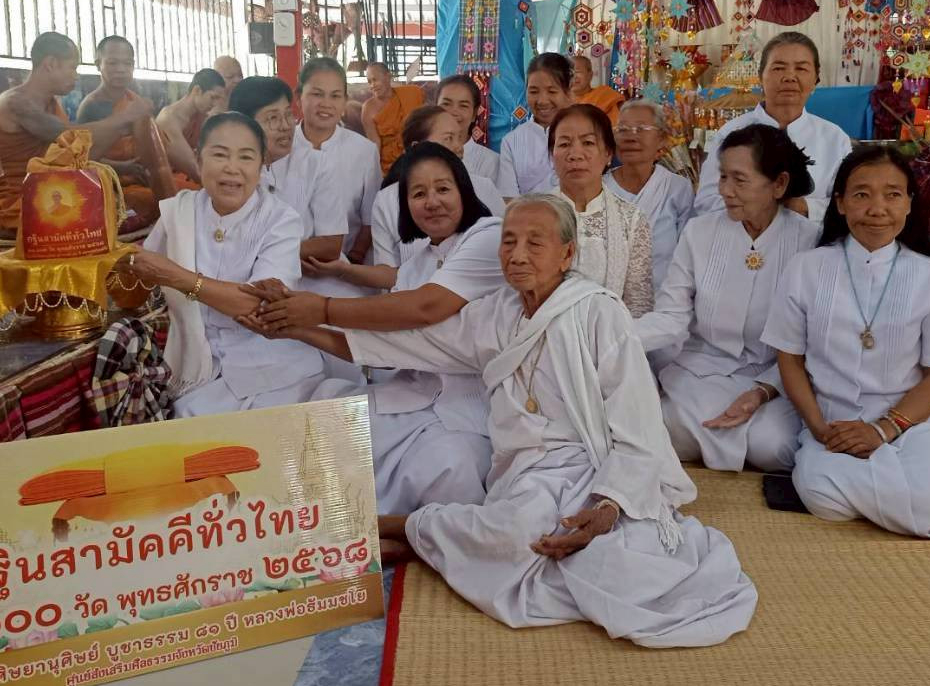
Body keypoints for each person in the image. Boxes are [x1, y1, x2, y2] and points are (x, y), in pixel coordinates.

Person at [248, 195, 757, 647]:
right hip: (525, 472)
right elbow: (399, 345)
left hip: (595, 467)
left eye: (535, 243)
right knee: (518, 533)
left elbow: (638, 421)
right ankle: (405, 533)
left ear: (567, 254)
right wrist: (302, 328)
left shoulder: (599, 314)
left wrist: (608, 504)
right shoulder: (494, 314)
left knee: (610, 565)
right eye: (509, 241)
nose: (517, 254)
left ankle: (399, 532)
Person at [246, 143, 503, 514]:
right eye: (418, 194)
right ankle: (341, 522)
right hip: (415, 397)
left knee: (446, 465)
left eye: (443, 189)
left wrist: (320, 308)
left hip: (473, 410)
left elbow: (425, 307)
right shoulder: (417, 264)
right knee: (324, 411)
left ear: (464, 190)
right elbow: (383, 352)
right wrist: (293, 326)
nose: (432, 202)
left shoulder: (488, 236)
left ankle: (401, 530)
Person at [762, 147, 930, 538]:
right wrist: (818, 427)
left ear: (909, 203)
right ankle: (921, 488)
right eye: (861, 194)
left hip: (911, 418)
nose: (877, 209)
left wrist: (883, 430)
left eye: (892, 195)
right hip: (833, 419)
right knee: (822, 497)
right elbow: (789, 360)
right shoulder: (807, 268)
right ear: (840, 203)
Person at [114, 111, 330, 416]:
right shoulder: (179, 211)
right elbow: (143, 280)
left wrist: (178, 277)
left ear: (261, 166)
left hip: (271, 360)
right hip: (191, 356)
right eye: (220, 154)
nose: (232, 168)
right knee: (187, 419)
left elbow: (258, 306)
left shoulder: (281, 220)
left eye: (245, 157)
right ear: (198, 160)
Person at [634, 125, 818, 472]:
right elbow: (672, 316)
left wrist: (763, 391)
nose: (725, 191)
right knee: (657, 432)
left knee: (775, 447)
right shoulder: (699, 232)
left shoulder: (809, 241)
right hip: (701, 371)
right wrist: (613, 337)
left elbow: (811, 342)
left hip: (773, 377)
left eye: (739, 180)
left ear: (779, 184)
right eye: (722, 177)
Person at [0, 33, 148, 238]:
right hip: (16, 200)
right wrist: (124, 118)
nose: (76, 76)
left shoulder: (51, 104)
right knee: (97, 220)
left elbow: (70, 155)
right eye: (72, 67)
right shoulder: (15, 102)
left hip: (51, 191)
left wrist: (123, 164)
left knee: (136, 205)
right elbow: (69, 135)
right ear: (51, 64)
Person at [693, 32, 852, 221]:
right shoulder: (730, 133)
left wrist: (805, 207)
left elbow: (849, 204)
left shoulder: (834, 138)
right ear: (761, 76)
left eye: (801, 68)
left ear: (815, 79)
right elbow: (706, 202)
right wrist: (757, 205)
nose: (789, 77)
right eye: (778, 68)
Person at [548, 104, 653, 317]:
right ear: (552, 155)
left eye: (588, 143)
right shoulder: (533, 215)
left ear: (608, 154)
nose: (575, 154)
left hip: (612, 332)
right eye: (564, 144)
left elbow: (638, 304)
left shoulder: (631, 220)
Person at [369, 106, 505, 269]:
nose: (459, 147)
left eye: (460, 138)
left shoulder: (484, 187)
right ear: (416, 147)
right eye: (448, 138)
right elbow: (387, 269)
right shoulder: (386, 199)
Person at [229, 76, 347, 263]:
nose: (285, 126)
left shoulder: (317, 165)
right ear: (244, 126)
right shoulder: (230, 172)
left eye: (288, 115)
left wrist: (260, 252)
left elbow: (331, 245)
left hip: (311, 274)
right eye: (273, 118)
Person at [293, 57, 382, 280]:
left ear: (344, 101)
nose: (326, 104)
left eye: (335, 96)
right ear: (299, 97)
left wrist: (352, 260)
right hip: (281, 265)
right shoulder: (280, 147)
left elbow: (370, 218)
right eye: (317, 94)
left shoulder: (364, 151)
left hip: (343, 270)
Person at [605, 101, 695, 291]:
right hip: (607, 302)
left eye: (641, 129)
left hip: (664, 300)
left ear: (661, 138)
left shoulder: (677, 188)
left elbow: (687, 258)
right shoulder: (599, 187)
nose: (631, 137)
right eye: (623, 130)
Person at [75, 35, 160, 223]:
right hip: (108, 184)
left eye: (127, 63)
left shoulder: (135, 101)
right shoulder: (91, 106)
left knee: (181, 189)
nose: (121, 69)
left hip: (138, 178)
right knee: (150, 200)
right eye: (113, 63)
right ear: (98, 64)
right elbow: (82, 160)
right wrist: (124, 167)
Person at [499, 53, 572, 197]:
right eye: (533, 92)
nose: (542, 101)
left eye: (552, 91)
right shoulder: (512, 141)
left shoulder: (586, 133)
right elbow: (508, 199)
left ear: (568, 91)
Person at [156, 68, 228, 188]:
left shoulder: (202, 115)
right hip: (166, 177)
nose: (215, 104)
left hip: (187, 175)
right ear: (197, 90)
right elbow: (193, 167)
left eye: (218, 99)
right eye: (213, 97)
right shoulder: (169, 119)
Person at [436, 74, 502, 189]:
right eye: (446, 104)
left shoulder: (491, 162)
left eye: (463, 106)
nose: (453, 112)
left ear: (474, 114)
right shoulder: (421, 156)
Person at [362, 62, 427, 174]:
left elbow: (427, 122)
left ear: (388, 76)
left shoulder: (411, 94)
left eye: (375, 80)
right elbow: (375, 143)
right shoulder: (368, 109)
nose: (372, 85)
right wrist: (373, 171)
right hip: (389, 164)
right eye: (369, 82)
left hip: (415, 154)